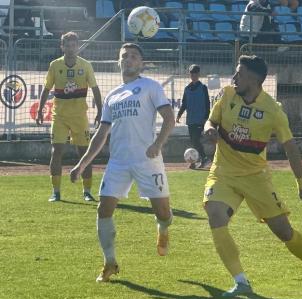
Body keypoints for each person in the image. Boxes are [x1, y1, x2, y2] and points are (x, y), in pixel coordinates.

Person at [203, 55, 302, 297]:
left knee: (284, 232)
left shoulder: (273, 110)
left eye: (239, 74)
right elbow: (210, 121)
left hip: (256, 177)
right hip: (223, 172)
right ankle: (241, 282)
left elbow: (290, 147)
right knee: (215, 215)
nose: (234, 78)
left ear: (254, 79)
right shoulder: (226, 95)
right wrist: (210, 129)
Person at [70, 43, 175, 282]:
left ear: (141, 63)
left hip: (147, 160)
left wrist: (157, 144)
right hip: (118, 162)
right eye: (124, 56)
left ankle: (164, 227)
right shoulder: (112, 95)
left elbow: (169, 118)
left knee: (163, 212)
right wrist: (82, 164)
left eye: (133, 56)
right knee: (103, 209)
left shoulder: (150, 86)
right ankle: (109, 263)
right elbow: (101, 133)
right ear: (119, 62)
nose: (128, 60)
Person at [36, 31, 102, 202]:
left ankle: (87, 191)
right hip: (60, 116)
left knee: (84, 153)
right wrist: (40, 110)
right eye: (67, 45)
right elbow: (46, 89)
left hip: (80, 116)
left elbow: (95, 89)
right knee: (56, 151)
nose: (71, 49)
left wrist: (100, 111)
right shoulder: (55, 65)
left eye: (74, 45)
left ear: (78, 47)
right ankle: (56, 192)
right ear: (62, 47)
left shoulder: (86, 65)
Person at [176, 64, 211, 169]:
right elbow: (184, 104)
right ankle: (194, 161)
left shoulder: (203, 88)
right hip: (191, 119)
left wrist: (206, 118)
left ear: (198, 74)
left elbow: (207, 103)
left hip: (200, 119)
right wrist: (178, 115)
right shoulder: (187, 89)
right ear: (190, 74)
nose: (193, 75)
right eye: (192, 73)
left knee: (196, 139)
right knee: (193, 141)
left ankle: (204, 158)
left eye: (195, 73)